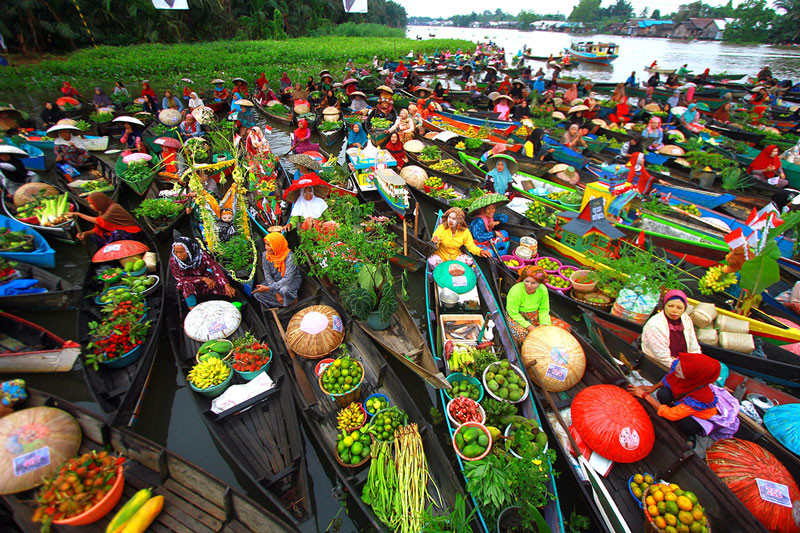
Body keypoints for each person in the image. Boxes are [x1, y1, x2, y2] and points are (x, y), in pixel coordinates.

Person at [628, 352, 741, 442]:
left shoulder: (700, 397)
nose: (677, 368)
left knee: (686, 424)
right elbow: (670, 378)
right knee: (663, 393)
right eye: (679, 365)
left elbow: (670, 414)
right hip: (683, 400)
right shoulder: (682, 370)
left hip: (698, 416)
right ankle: (673, 409)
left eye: (681, 369)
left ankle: (689, 434)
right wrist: (653, 387)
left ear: (693, 376)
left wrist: (644, 395)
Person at [506, 265, 571, 344]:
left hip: (535, 315)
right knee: (524, 336)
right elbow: (513, 313)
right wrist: (530, 327)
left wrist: (545, 325)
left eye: (533, 283)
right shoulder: (515, 290)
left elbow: (544, 309)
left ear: (539, 283)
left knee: (565, 327)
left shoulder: (542, 289)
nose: (529, 285)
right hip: (518, 316)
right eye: (526, 281)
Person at [169, 236, 235, 308]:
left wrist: (226, 284)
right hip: (190, 282)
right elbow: (180, 279)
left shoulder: (201, 254)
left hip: (206, 278)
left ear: (189, 250)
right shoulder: (173, 261)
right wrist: (202, 279)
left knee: (222, 287)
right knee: (186, 286)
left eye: (181, 252)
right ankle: (192, 308)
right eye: (176, 252)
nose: (178, 255)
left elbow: (214, 267)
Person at [641, 290, 701, 367]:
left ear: (684, 309)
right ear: (664, 305)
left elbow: (694, 346)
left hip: (683, 362)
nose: (674, 311)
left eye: (679, 308)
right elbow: (662, 357)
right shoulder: (655, 324)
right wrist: (683, 369)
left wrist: (696, 361)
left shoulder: (686, 319)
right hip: (659, 364)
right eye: (670, 306)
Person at [69, 192, 143, 246]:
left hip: (131, 232)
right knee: (94, 236)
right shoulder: (101, 211)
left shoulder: (114, 208)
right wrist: (86, 233)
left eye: (91, 204)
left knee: (116, 234)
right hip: (117, 232)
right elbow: (99, 228)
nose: (90, 206)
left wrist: (79, 214)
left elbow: (99, 221)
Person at [252, 232, 302, 308]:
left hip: (291, 281)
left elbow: (287, 279)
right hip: (275, 280)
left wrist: (268, 288)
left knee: (283, 290)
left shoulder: (290, 257)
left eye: (269, 245)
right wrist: (276, 293)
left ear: (277, 245)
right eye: (266, 244)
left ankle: (290, 302)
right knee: (257, 294)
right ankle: (288, 303)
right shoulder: (266, 255)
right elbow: (267, 275)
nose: (266, 248)